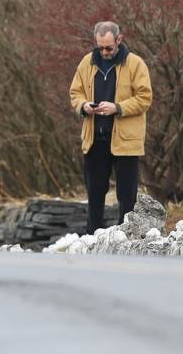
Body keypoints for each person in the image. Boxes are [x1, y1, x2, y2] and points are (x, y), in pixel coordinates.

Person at [69, 21, 152, 234]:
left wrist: (118, 108)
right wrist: (83, 106)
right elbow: (75, 93)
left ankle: (126, 236)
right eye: (100, 47)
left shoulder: (135, 64)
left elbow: (145, 98)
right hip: (95, 139)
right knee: (95, 193)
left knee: (127, 196)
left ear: (119, 40)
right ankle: (92, 237)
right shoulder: (86, 63)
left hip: (125, 142)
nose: (104, 52)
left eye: (109, 47)